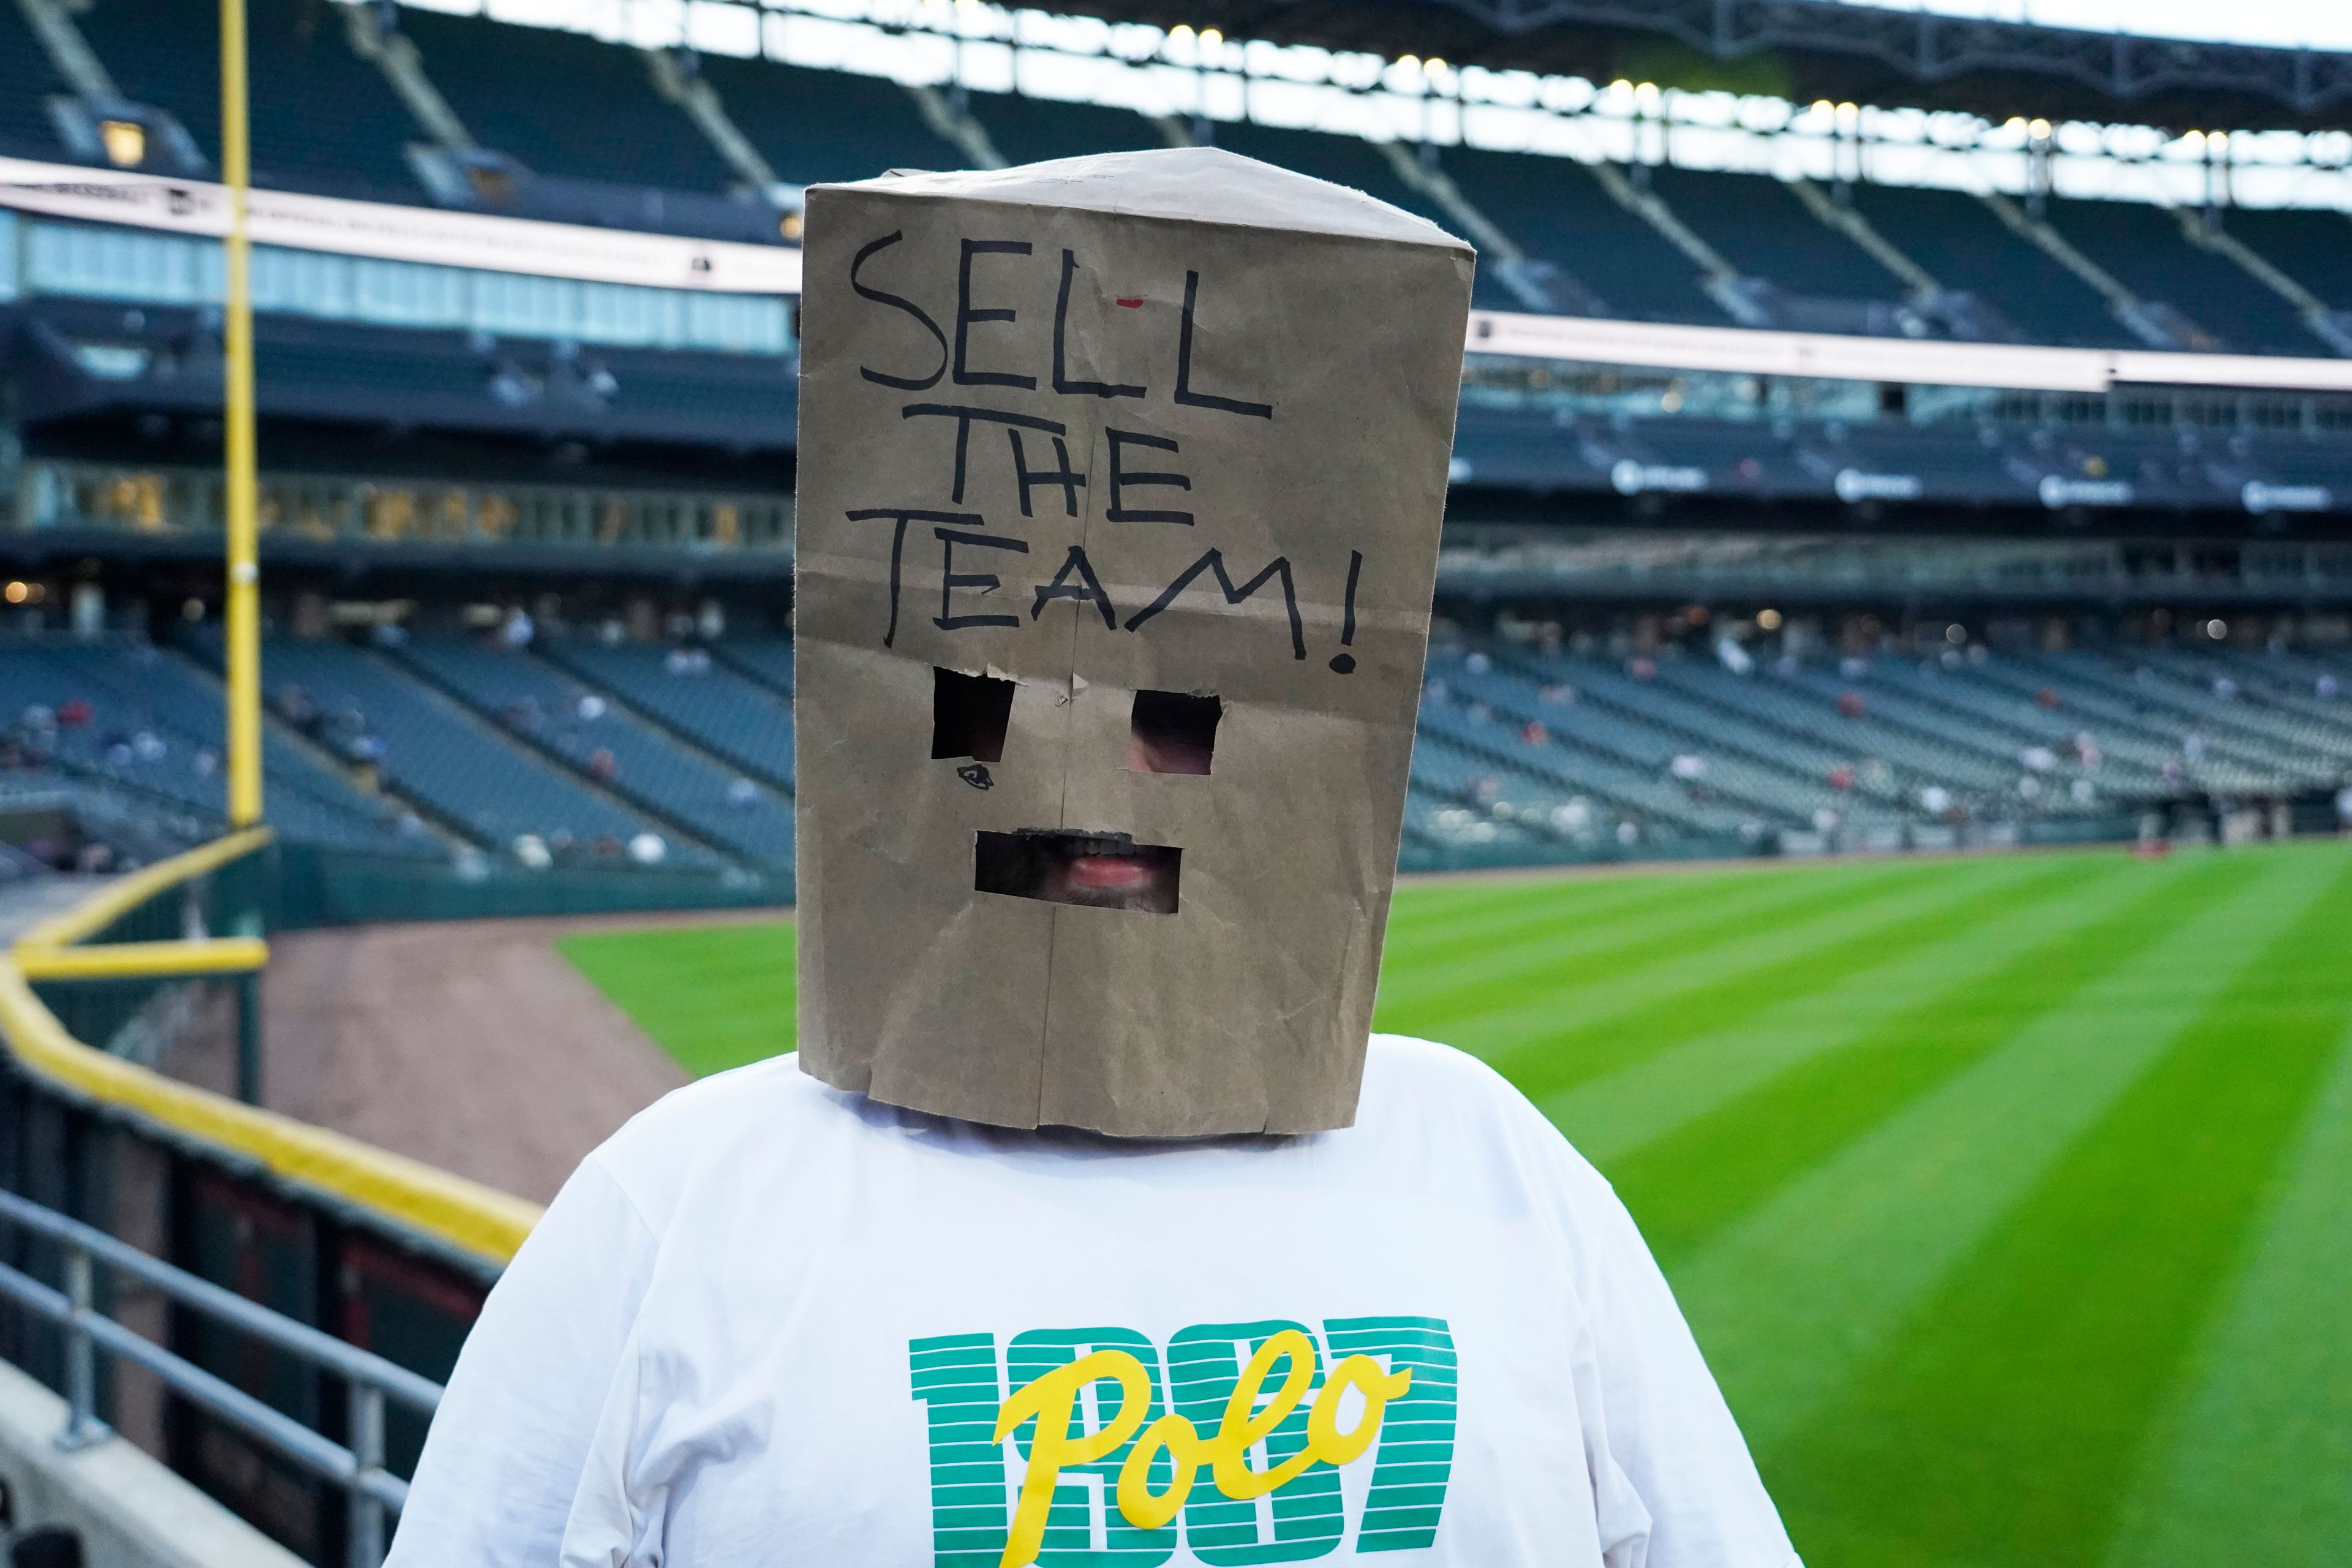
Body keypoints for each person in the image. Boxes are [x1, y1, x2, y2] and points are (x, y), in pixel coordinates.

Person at [386, 148, 1795, 1568]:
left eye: (1185, 719)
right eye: (985, 714)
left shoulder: (1493, 1160)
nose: (1100, 781)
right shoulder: (679, 1203)